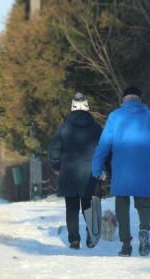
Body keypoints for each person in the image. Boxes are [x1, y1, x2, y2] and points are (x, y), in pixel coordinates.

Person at [92, 86, 150, 257]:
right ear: (140, 100)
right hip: (144, 170)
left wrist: (96, 168)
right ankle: (144, 229)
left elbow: (104, 145)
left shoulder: (115, 116)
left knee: (122, 206)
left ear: (123, 100)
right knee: (144, 205)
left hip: (121, 171)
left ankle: (126, 245)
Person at [49, 92, 102, 249]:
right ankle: (91, 236)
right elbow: (104, 149)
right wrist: (104, 168)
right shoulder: (96, 128)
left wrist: (57, 166)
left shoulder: (63, 128)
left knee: (71, 207)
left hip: (69, 172)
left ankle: (74, 239)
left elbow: (54, 148)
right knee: (88, 205)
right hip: (90, 173)